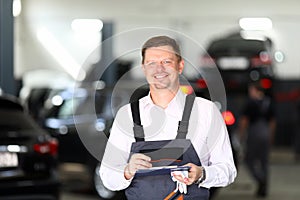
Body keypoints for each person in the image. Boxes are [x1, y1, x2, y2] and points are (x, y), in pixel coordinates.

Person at [100, 35, 236, 199]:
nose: (159, 69)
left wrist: (202, 173)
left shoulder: (207, 111)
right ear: (144, 68)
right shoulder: (127, 115)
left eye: (166, 62)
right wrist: (127, 171)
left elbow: (228, 170)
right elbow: (107, 176)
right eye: (152, 63)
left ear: (180, 66)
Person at [239, 81, 276, 197]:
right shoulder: (269, 102)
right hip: (265, 132)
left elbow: (244, 121)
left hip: (254, 133)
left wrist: (241, 135)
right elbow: (273, 122)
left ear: (255, 90)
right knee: (264, 161)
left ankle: (260, 179)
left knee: (248, 160)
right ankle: (264, 187)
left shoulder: (250, 103)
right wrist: (271, 136)